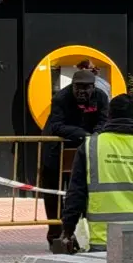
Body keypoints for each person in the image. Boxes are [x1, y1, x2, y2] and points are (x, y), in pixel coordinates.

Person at [57, 94, 133, 253]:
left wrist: (67, 230)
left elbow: (76, 194)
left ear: (109, 116)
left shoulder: (91, 147)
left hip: (104, 239)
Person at [41, 69, 109, 246]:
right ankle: (55, 235)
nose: (81, 92)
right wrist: (84, 135)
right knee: (53, 195)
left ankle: (79, 234)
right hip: (55, 151)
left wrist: (95, 136)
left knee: (80, 194)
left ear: (93, 87)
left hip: (83, 151)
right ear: (72, 86)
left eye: (86, 88)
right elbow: (56, 126)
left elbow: (104, 121)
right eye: (78, 87)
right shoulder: (61, 98)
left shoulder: (101, 97)